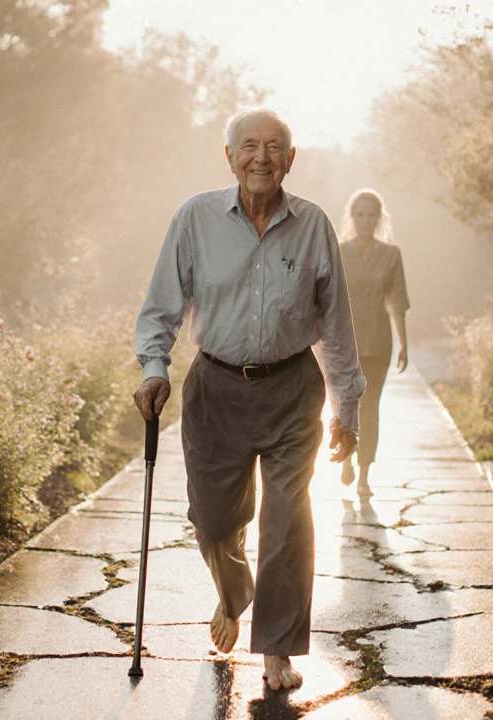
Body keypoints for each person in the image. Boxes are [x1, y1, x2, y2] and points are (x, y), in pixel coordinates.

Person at [133, 108, 365, 692]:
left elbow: (337, 327)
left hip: (291, 390)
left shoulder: (313, 226)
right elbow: (161, 305)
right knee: (212, 520)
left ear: (291, 159)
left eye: (274, 147)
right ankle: (235, 592)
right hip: (215, 388)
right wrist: (154, 367)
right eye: (249, 146)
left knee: (287, 522)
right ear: (230, 155)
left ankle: (278, 650)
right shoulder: (195, 217)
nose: (261, 157)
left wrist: (347, 409)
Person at [336, 189, 410, 497]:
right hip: (343, 344)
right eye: (360, 214)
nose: (365, 221)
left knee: (370, 409)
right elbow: (327, 299)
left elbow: (397, 301)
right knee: (344, 405)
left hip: (379, 344)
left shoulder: (391, 254)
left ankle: (364, 472)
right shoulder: (339, 251)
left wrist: (404, 343)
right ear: (352, 218)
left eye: (371, 215)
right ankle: (345, 457)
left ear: (379, 219)